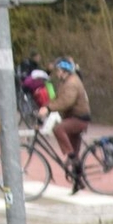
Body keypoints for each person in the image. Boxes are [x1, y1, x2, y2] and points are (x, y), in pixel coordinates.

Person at [49, 58, 93, 186]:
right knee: (75, 152)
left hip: (79, 119)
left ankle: (72, 157)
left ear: (65, 71)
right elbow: (57, 99)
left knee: (58, 129)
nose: (57, 73)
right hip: (73, 117)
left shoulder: (72, 83)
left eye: (58, 71)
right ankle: (78, 182)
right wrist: (45, 107)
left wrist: (48, 109)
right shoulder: (65, 82)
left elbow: (66, 102)